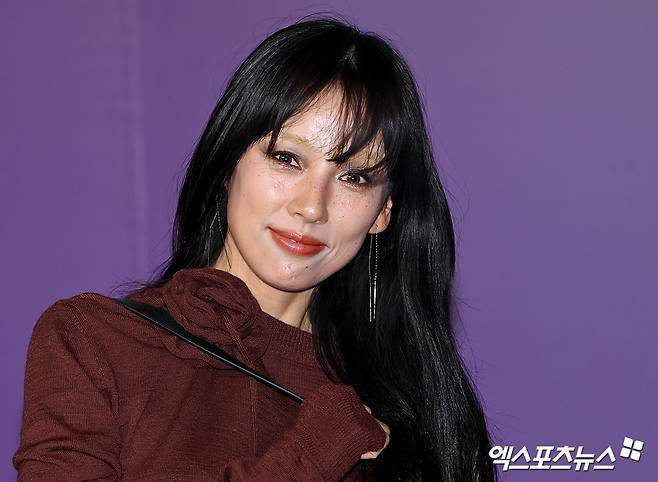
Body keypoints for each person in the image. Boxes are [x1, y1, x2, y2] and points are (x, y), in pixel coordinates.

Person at [13, 14, 497, 482]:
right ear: (228, 164)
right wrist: (317, 450)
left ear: (383, 213)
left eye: (353, 177)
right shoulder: (96, 341)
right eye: (287, 158)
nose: (312, 207)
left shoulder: (404, 411)